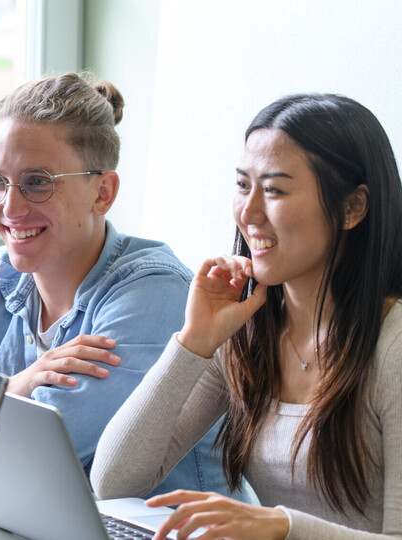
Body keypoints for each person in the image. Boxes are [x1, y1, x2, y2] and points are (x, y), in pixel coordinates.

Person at [91, 93, 402, 539]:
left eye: (274, 189)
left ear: (352, 208)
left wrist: (281, 527)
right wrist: (194, 341)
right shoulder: (246, 334)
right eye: (243, 185)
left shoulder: (394, 347)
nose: (249, 213)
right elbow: (113, 482)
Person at [0, 72, 229, 496]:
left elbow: (32, 456)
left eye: (37, 182)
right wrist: (19, 385)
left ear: (102, 193)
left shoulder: (153, 295)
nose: (10, 207)